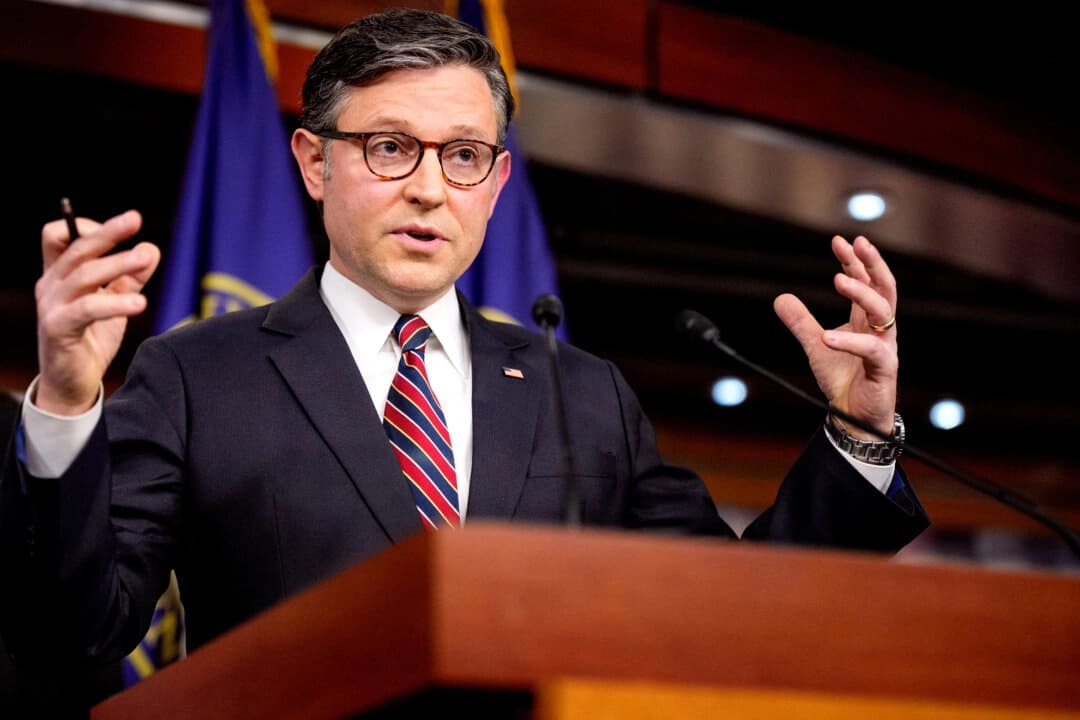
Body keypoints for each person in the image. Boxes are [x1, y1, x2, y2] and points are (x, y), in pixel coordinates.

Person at [1, 5, 927, 694]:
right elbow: (73, 636)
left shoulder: (581, 390)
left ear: (497, 182)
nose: (430, 190)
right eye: (391, 148)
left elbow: (721, 613)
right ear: (315, 163)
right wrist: (69, 403)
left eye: (464, 156)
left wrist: (860, 433)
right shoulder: (199, 373)